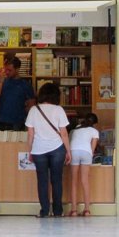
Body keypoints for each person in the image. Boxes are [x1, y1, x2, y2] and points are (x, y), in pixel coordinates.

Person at [25, 83, 71, 218]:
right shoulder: (59, 110)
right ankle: (58, 211)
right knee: (56, 180)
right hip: (57, 149)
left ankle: (44, 211)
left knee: (42, 180)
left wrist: (30, 151)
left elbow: (30, 134)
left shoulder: (34, 110)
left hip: (39, 150)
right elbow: (64, 133)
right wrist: (68, 151)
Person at [0, 57, 36, 131]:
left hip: (17, 123)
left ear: (17, 69)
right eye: (6, 70)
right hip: (0, 122)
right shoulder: (1, 82)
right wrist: (1, 82)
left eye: (10, 70)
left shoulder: (25, 85)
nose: (7, 72)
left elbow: (31, 107)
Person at [67, 113, 99, 217]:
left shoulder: (74, 130)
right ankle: (87, 210)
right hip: (86, 152)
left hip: (74, 151)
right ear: (94, 123)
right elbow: (92, 148)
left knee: (74, 181)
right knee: (85, 181)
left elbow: (70, 141)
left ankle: (74, 210)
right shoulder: (94, 131)